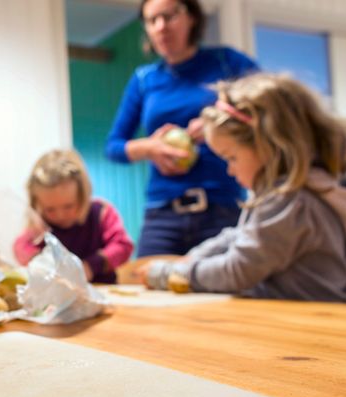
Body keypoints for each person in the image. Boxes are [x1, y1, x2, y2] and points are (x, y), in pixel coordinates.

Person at [144, 73, 346, 302]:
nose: (230, 170)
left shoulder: (291, 201)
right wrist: (192, 259)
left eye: (231, 158)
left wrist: (167, 274)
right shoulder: (311, 190)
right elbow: (240, 237)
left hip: (302, 329)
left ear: (269, 145)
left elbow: (237, 270)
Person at [105, 0, 258, 257]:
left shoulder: (226, 62)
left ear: (192, 17)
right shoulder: (144, 80)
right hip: (162, 212)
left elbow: (269, 106)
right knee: (149, 286)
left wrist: (216, 122)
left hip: (222, 207)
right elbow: (114, 147)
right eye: (152, 20)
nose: (161, 27)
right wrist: (149, 148)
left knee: (225, 291)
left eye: (169, 16)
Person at [14, 149, 134, 284]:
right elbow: (20, 247)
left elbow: (123, 246)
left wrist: (91, 266)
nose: (60, 215)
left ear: (83, 195)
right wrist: (40, 261)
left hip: (103, 290)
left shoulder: (101, 213)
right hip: (56, 299)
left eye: (68, 206)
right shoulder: (39, 225)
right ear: (37, 204)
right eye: (50, 209)